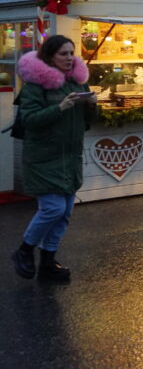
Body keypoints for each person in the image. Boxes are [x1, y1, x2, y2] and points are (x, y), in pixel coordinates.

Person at [10, 36, 94, 281]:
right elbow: (30, 120)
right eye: (63, 54)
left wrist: (91, 104)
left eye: (71, 53)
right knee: (53, 208)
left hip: (69, 156)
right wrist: (59, 108)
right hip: (44, 157)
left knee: (65, 210)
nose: (69, 58)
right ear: (50, 56)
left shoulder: (74, 83)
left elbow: (86, 122)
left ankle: (48, 261)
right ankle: (24, 250)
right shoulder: (35, 86)